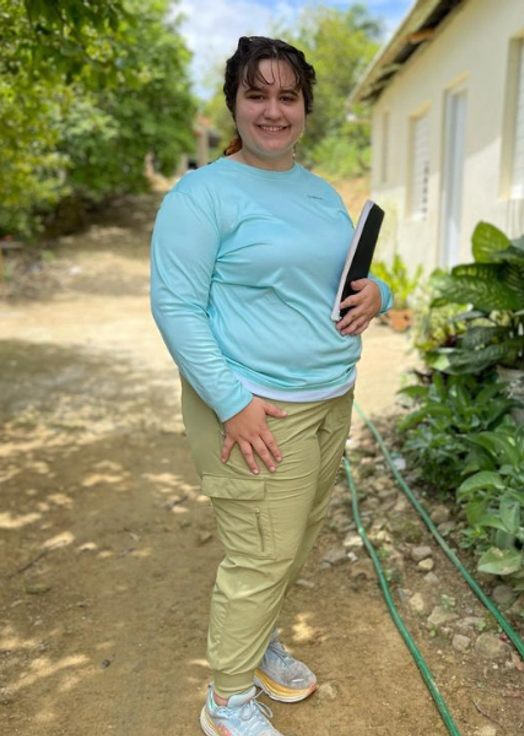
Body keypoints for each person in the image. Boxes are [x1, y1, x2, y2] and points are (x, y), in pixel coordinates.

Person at [150, 36, 393, 736]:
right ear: (233, 102)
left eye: (288, 96)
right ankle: (227, 702)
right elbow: (176, 307)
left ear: (305, 107)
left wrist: (374, 291)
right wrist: (233, 406)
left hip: (327, 399)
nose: (273, 110)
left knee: (296, 538)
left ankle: (257, 648)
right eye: (257, 94)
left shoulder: (318, 193)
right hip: (257, 410)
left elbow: (334, 277)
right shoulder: (203, 196)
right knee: (261, 552)